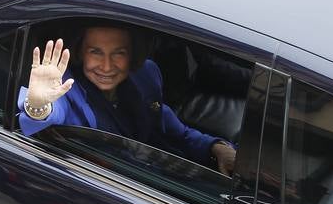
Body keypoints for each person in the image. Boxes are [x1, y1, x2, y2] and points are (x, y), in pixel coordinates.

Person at [17, 27, 237, 174]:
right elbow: (48, 111)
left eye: (118, 53)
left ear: (132, 55)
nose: (106, 66)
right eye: (95, 52)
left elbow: (176, 132)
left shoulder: (145, 75)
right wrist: (37, 104)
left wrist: (216, 148)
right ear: (81, 53)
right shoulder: (64, 86)